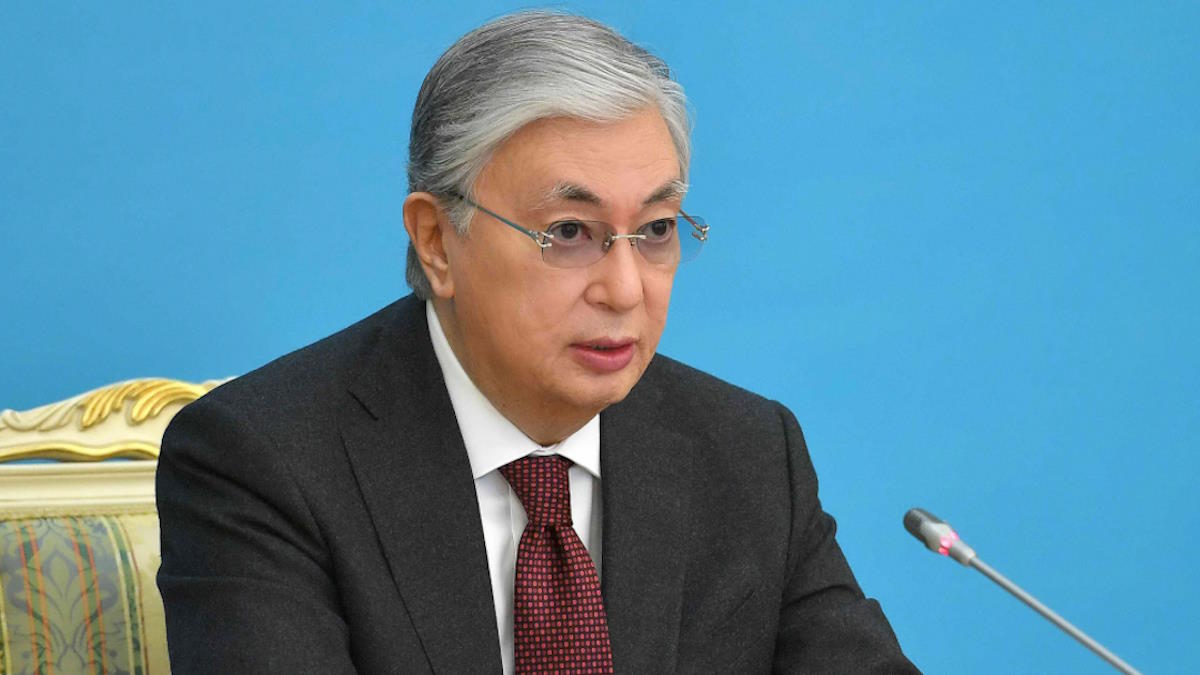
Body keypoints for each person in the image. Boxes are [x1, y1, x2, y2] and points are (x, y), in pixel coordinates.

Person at [156, 11, 919, 674]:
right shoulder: (263, 462)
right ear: (436, 241)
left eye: (656, 229)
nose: (625, 290)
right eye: (570, 232)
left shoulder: (748, 454)